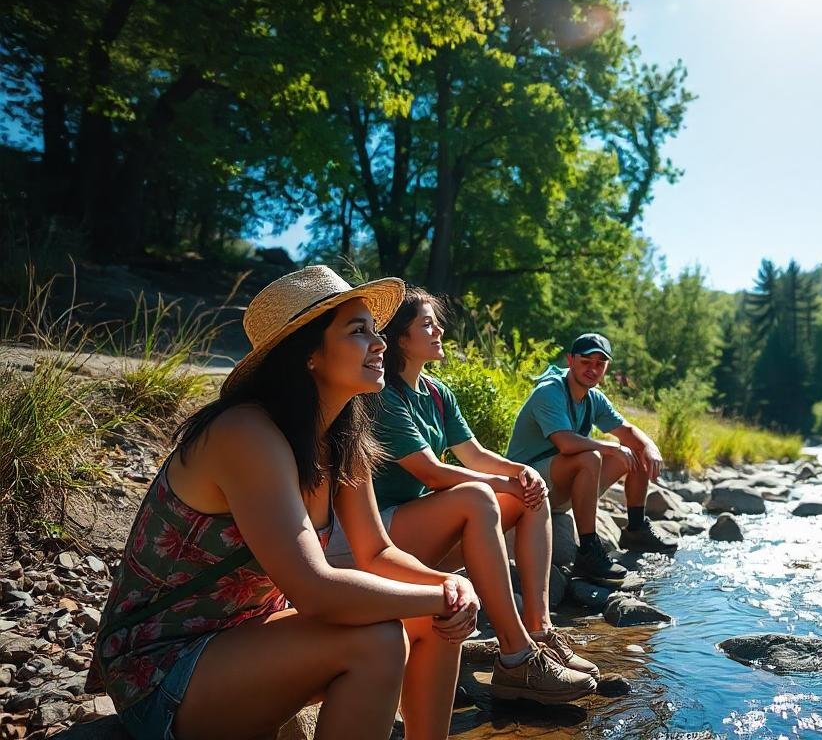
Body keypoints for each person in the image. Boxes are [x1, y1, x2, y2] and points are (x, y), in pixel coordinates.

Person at [87, 266, 480, 740]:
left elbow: (376, 552)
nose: (380, 344)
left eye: (376, 332)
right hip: (160, 667)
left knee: (436, 617)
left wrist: (449, 589)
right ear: (308, 354)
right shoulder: (246, 434)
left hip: (243, 640)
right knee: (377, 640)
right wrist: (439, 596)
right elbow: (315, 591)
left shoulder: (341, 438)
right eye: (359, 332)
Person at [324, 287, 597, 704]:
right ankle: (515, 658)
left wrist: (519, 473)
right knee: (476, 497)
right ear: (401, 338)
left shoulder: (436, 392)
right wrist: (501, 484)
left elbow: (475, 455)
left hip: (411, 529)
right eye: (427, 324)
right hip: (367, 538)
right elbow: (431, 473)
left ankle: (539, 632)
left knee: (530, 495)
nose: (440, 330)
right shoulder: (382, 396)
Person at [507, 333, 679, 585]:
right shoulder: (550, 391)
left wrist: (650, 447)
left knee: (635, 448)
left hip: (557, 488)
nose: (593, 369)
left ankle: (635, 529)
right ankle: (588, 551)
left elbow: (628, 431)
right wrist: (610, 448)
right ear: (570, 360)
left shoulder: (593, 398)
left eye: (600, 364)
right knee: (591, 457)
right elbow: (565, 443)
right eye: (586, 361)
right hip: (526, 489)